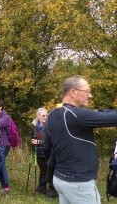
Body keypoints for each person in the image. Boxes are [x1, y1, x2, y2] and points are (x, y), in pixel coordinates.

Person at [45, 75, 117, 204]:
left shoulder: (52, 115)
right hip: (79, 184)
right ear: (73, 92)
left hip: (60, 178)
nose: (90, 96)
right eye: (87, 91)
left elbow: (47, 146)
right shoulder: (77, 115)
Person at [31, 107, 56, 197]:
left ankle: (52, 189)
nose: (45, 117)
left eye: (46, 115)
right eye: (43, 115)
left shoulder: (51, 125)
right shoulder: (34, 125)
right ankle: (42, 186)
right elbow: (33, 137)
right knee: (42, 169)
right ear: (38, 116)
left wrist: (39, 142)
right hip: (39, 151)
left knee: (51, 169)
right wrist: (33, 143)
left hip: (49, 151)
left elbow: (51, 140)